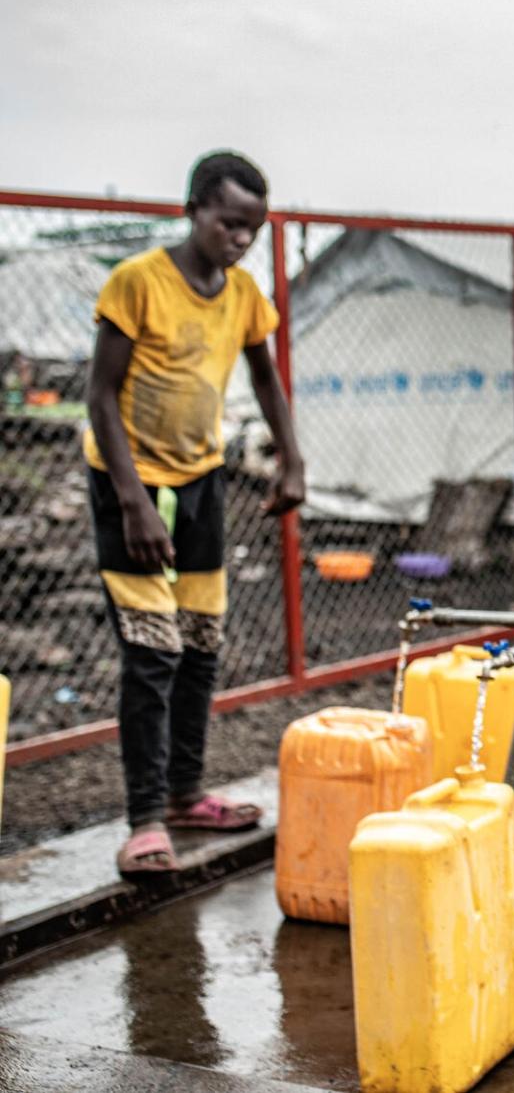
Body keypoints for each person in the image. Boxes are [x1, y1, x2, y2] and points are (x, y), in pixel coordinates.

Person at [85, 150, 304, 875]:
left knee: (199, 649)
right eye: (228, 223)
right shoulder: (139, 282)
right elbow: (100, 395)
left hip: (203, 482)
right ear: (194, 210)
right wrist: (131, 503)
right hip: (131, 484)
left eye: (252, 229)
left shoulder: (242, 294)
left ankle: (185, 794)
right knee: (151, 653)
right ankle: (146, 820)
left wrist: (292, 459)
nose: (239, 239)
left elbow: (266, 377)